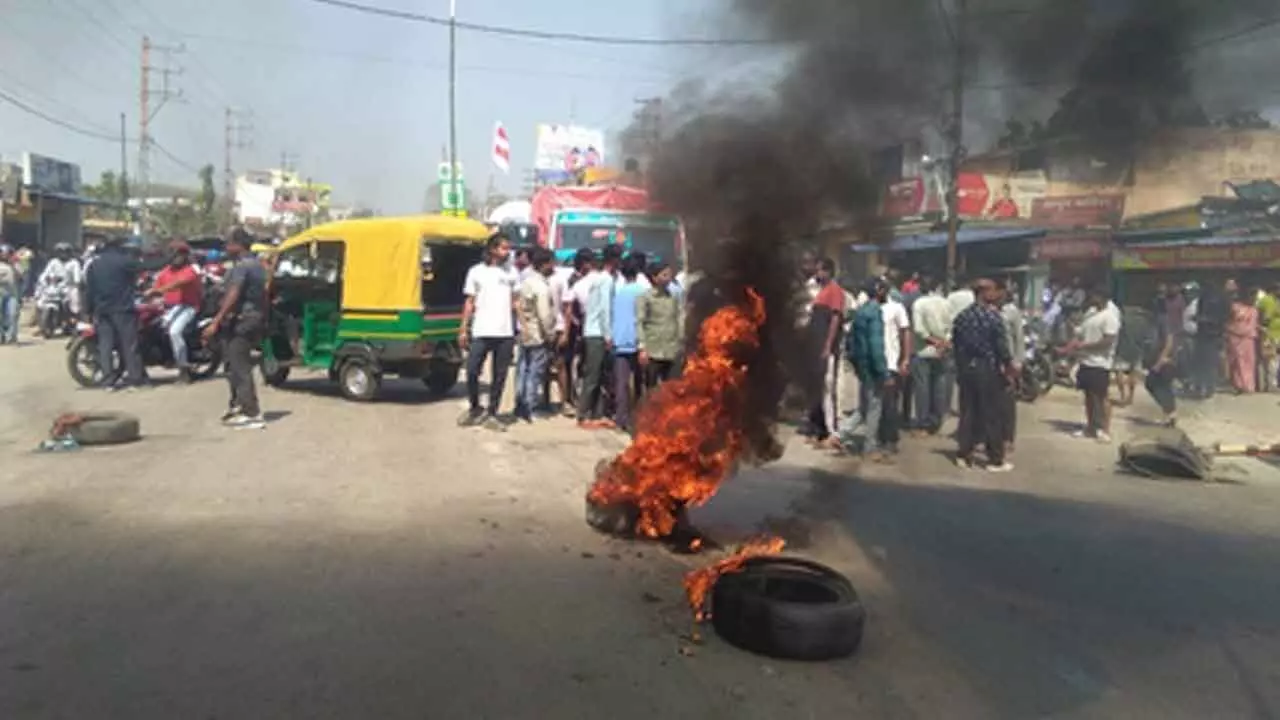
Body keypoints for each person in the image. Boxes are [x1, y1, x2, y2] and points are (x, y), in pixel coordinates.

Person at [201, 229, 267, 428]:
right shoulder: (256, 265)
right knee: (231, 364)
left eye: (229, 244)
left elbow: (234, 294)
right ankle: (238, 404)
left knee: (240, 366)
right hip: (251, 318)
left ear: (238, 245)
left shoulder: (243, 267)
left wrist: (216, 321)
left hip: (243, 320)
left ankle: (252, 413)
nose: (226, 248)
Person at [950, 278, 1014, 472]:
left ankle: (964, 454)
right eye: (992, 290)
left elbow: (956, 345)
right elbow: (1002, 347)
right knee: (991, 414)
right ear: (984, 293)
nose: (995, 294)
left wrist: (960, 368)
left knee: (968, 412)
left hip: (967, 368)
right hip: (987, 368)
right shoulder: (993, 317)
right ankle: (995, 459)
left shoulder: (962, 317)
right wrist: (1008, 366)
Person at [458, 233, 518, 431]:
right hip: (481, 330)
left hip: (505, 332)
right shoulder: (476, 272)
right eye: (503, 248)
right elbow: (469, 302)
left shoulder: (512, 272)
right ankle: (475, 408)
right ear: (492, 249)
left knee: (500, 375)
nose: (507, 252)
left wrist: (522, 325)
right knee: (473, 370)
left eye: (508, 248)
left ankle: (493, 412)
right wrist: (463, 328)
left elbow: (515, 302)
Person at [831, 278, 889, 461]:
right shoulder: (874, 312)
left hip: (863, 367)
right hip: (872, 368)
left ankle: (840, 435)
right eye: (884, 289)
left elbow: (851, 343)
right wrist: (883, 371)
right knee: (874, 407)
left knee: (864, 407)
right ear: (878, 291)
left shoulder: (861, 311)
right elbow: (876, 345)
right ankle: (870, 447)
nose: (886, 293)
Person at [85, 235, 146, 390]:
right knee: (129, 345)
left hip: (102, 311)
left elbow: (89, 290)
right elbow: (148, 266)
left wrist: (88, 311)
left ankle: (108, 381)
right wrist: (170, 258)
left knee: (105, 346)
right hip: (122, 310)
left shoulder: (94, 264)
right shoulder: (124, 261)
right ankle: (134, 380)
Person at [1061, 288, 1121, 443]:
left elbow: (1108, 341)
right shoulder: (1091, 313)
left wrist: (1086, 346)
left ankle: (1105, 429)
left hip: (1101, 363)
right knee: (1088, 396)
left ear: (1102, 297)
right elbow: (1080, 332)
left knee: (1102, 397)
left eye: (1094, 295)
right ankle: (1091, 427)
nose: (1091, 298)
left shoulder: (1110, 316)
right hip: (1086, 361)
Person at [575, 245, 619, 428]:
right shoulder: (606, 280)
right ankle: (583, 414)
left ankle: (597, 413)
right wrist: (608, 335)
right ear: (614, 260)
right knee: (593, 375)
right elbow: (604, 309)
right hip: (596, 333)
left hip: (594, 331)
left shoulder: (599, 278)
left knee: (600, 374)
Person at [147, 241, 204, 383]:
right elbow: (155, 285)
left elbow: (178, 283)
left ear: (184, 256)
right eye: (172, 254)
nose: (175, 258)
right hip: (170, 307)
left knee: (174, 332)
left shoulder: (190, 270)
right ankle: (167, 357)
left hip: (189, 306)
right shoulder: (166, 271)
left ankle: (183, 368)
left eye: (178, 254)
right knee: (155, 327)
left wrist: (158, 290)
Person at [805, 258, 846, 444]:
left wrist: (828, 345)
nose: (817, 273)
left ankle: (832, 431)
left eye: (820, 270)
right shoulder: (820, 292)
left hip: (826, 348)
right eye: (816, 270)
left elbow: (836, 319)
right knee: (819, 389)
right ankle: (820, 429)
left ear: (829, 271)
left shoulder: (835, 291)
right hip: (816, 347)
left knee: (829, 389)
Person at [514, 247, 556, 422]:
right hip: (537, 334)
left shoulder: (527, 282)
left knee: (523, 369)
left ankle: (520, 402)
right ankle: (529, 407)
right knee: (534, 372)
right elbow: (544, 315)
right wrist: (550, 335)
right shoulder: (541, 287)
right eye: (552, 263)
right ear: (544, 264)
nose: (554, 267)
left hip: (525, 332)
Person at [909, 276, 951, 435]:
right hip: (942, 351)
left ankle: (923, 423)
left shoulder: (919, 304)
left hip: (923, 351)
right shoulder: (945, 303)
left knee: (922, 388)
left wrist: (934, 342)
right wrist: (944, 343)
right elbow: (951, 326)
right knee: (939, 386)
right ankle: (936, 420)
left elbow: (919, 330)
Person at [610, 255, 648, 431]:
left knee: (622, 383)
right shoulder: (643, 291)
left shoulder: (619, 291)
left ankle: (621, 418)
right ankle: (638, 417)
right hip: (638, 341)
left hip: (619, 340)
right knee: (639, 382)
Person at [877, 278, 912, 456]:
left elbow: (905, 332)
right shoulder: (869, 308)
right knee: (875, 404)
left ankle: (890, 439)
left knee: (889, 404)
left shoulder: (896, 308)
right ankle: (878, 437)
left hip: (890, 362)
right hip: (873, 363)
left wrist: (905, 359)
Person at [637, 261, 684, 389]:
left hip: (672, 350)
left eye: (669, 275)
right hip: (653, 351)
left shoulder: (673, 298)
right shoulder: (645, 298)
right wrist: (642, 348)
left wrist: (681, 341)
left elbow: (678, 319)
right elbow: (640, 323)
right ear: (654, 278)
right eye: (664, 275)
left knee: (672, 388)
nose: (668, 278)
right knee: (651, 388)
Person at [1143, 291, 1179, 427]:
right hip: (1159, 358)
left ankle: (1170, 413)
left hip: (1165, 360)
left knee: (1155, 384)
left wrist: (1160, 361)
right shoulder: (1157, 320)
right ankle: (1169, 415)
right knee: (1162, 386)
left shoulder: (1163, 320)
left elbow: (1169, 341)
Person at [1191, 279, 1229, 398]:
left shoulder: (1216, 300)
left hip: (1210, 335)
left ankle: (1207, 388)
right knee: (1203, 363)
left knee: (1207, 363)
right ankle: (1202, 388)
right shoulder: (1205, 299)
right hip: (1205, 335)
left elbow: (1222, 318)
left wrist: (1203, 319)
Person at [999, 281, 1025, 453]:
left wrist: (1018, 362)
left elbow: (1019, 338)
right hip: (992, 363)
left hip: (1008, 363)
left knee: (1007, 403)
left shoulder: (1012, 312)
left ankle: (1008, 437)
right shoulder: (986, 310)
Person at [35, 242, 81, 337]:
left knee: (73, 305)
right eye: (60, 252)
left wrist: (76, 282)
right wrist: (43, 280)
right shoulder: (53, 262)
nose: (63, 254)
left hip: (69, 287)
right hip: (54, 287)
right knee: (39, 302)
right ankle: (40, 325)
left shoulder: (74, 263)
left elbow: (77, 278)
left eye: (65, 252)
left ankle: (71, 323)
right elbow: (45, 273)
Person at [1227, 282, 1258, 394]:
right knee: (1237, 362)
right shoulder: (1235, 307)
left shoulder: (1254, 310)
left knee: (1249, 361)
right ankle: (1239, 385)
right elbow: (1229, 320)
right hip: (1235, 337)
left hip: (1248, 338)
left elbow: (1253, 325)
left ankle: (1249, 386)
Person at [1257, 281, 1280, 392]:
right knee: (1270, 361)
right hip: (1269, 334)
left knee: (1276, 361)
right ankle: (1270, 384)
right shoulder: (1265, 300)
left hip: (1277, 334)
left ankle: (1274, 383)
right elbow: (1259, 315)